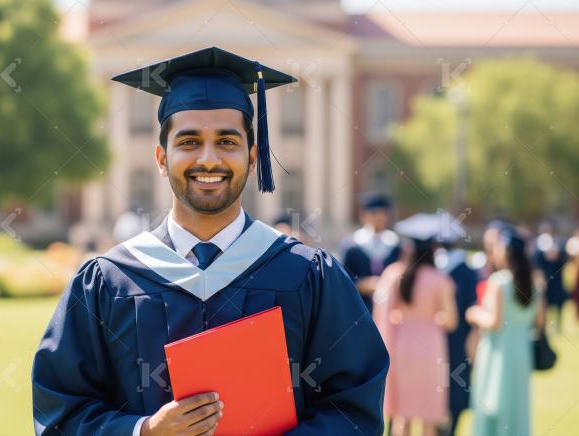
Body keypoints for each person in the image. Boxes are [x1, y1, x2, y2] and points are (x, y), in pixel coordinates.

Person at [32, 47, 389, 435]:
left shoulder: (309, 276)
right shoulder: (108, 283)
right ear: (161, 158)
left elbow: (355, 410)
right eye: (188, 142)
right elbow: (60, 413)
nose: (208, 159)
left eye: (227, 141)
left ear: (253, 158)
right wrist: (144, 431)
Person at [373, 213, 457, 436]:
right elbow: (451, 321)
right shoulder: (440, 280)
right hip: (431, 346)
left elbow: (382, 311)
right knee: (429, 416)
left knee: (403, 416)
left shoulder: (394, 274)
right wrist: (432, 318)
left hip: (402, 344)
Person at [467, 228, 544, 436]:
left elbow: (494, 322)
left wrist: (473, 313)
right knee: (517, 403)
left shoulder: (499, 281)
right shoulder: (535, 282)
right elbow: (540, 321)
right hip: (521, 350)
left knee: (492, 402)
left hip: (497, 351)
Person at [433, 215, 478, 436]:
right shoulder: (467, 270)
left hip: (432, 338)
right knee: (456, 387)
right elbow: (472, 305)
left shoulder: (430, 268)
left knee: (435, 385)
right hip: (459, 338)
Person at [340, 192, 402, 313]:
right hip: (359, 307)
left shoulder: (396, 245)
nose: (379, 217)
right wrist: (361, 284)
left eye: (383, 213)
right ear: (363, 215)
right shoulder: (352, 246)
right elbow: (343, 278)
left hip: (390, 308)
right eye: (374, 213)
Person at [532, 219, 568, 333]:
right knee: (544, 302)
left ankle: (558, 326)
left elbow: (564, 259)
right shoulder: (537, 246)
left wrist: (557, 254)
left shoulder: (558, 243)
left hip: (556, 278)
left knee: (558, 302)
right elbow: (536, 263)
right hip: (546, 279)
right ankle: (544, 326)